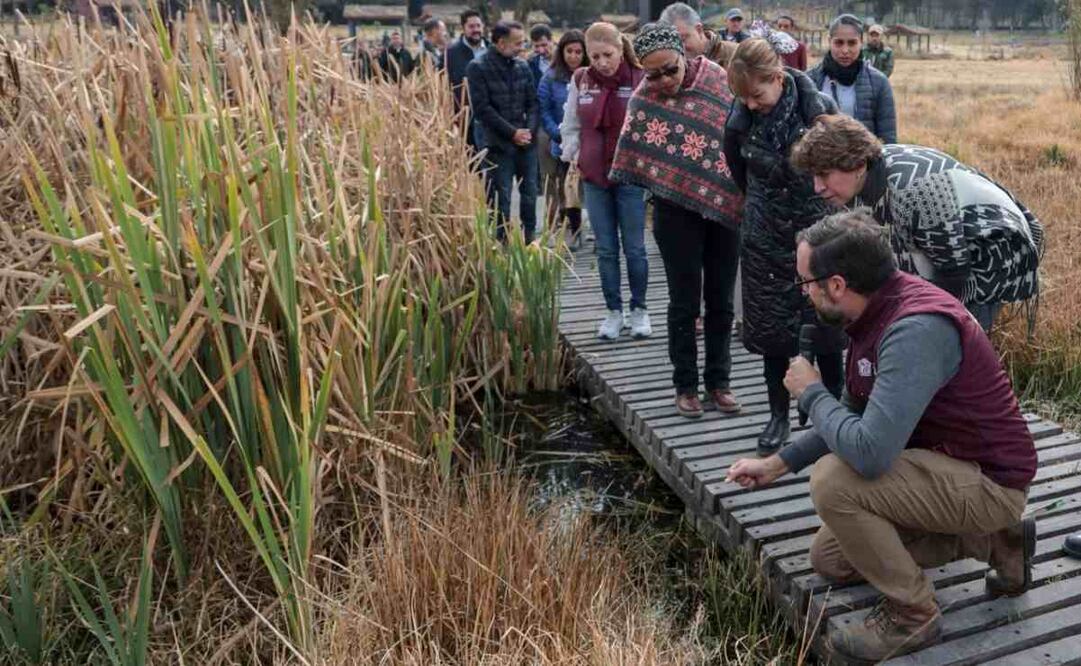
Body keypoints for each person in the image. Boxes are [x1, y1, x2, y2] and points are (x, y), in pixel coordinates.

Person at [726, 211, 1038, 661]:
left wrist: (812, 393)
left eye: (805, 283)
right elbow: (853, 412)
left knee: (833, 482)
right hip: (942, 468)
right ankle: (996, 541)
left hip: (990, 482)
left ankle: (914, 615)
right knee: (831, 560)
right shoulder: (874, 311)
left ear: (836, 284)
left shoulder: (914, 329)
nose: (804, 292)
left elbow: (870, 454)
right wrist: (778, 464)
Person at [790, 115, 1043, 331]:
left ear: (856, 164)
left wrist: (924, 323)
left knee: (953, 342)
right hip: (943, 254)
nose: (817, 187)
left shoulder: (914, 189)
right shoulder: (858, 184)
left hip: (988, 255)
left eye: (824, 175)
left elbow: (954, 271)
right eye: (814, 176)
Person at [610, 22, 743, 418]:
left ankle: (719, 382)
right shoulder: (643, 99)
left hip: (724, 208)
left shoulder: (718, 80)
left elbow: (738, 134)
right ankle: (685, 386)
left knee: (721, 299)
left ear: (684, 56)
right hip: (673, 211)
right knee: (684, 302)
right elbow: (633, 152)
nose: (664, 80)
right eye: (653, 74)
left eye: (671, 69)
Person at [723, 38, 845, 456]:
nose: (751, 104)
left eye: (757, 95)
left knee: (827, 324)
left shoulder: (819, 110)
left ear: (777, 78)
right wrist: (764, 208)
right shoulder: (739, 119)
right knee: (773, 330)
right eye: (743, 97)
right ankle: (778, 415)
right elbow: (737, 170)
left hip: (817, 228)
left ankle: (834, 411)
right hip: (765, 236)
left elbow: (839, 166)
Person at [560, 22, 650, 340]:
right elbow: (570, 124)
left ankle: (639, 309)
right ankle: (614, 311)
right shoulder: (581, 79)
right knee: (606, 250)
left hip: (630, 176)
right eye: (595, 56)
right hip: (594, 177)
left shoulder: (640, 78)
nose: (601, 62)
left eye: (607, 55)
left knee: (635, 249)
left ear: (621, 49)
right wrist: (574, 152)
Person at [467, 21, 539, 243]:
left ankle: (530, 239)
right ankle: (501, 243)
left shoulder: (522, 66)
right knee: (500, 198)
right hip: (497, 144)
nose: (521, 47)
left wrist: (529, 132)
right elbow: (482, 109)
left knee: (530, 194)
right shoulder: (478, 67)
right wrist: (512, 133)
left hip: (525, 143)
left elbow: (533, 103)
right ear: (501, 43)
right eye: (517, 43)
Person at [807, 14, 896, 142]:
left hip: (865, 154)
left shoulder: (879, 82)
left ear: (861, 42)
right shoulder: (809, 81)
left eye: (852, 43)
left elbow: (888, 138)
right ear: (829, 41)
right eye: (839, 43)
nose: (845, 50)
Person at [538, 30, 587, 248]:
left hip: (586, 140)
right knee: (562, 185)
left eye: (578, 52)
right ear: (562, 52)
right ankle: (566, 230)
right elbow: (544, 110)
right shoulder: (550, 77)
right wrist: (558, 134)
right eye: (569, 51)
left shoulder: (590, 76)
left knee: (581, 187)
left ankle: (583, 230)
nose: (573, 56)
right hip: (559, 139)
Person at [447, 9, 489, 147]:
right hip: (464, 119)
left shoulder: (492, 51)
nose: (476, 30)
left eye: (478, 26)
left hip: (491, 118)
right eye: (471, 26)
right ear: (463, 28)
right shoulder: (450, 54)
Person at [659, 2, 737, 66]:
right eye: (672, 44)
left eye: (683, 39)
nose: (679, 48)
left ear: (699, 30)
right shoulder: (670, 69)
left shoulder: (736, 54)